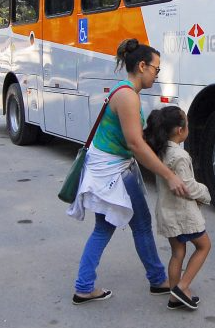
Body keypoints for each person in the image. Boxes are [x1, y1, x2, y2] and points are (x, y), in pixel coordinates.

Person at [68, 38, 189, 305]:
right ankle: (157, 280)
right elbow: (135, 144)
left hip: (109, 168)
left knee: (106, 227)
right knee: (140, 224)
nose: (157, 75)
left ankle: (84, 285)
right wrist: (169, 175)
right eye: (156, 69)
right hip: (115, 171)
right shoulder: (127, 96)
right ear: (142, 66)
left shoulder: (125, 92)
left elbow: (134, 139)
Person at [144, 106, 211, 311]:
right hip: (183, 214)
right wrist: (206, 192)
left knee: (177, 252)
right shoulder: (180, 156)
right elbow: (188, 186)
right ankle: (182, 287)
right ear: (180, 130)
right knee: (204, 246)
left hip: (167, 212)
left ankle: (174, 296)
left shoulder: (160, 151)